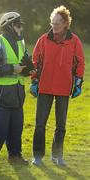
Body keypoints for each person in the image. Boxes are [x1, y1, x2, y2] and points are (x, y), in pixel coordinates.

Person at [31, 5, 85, 166]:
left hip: (63, 87)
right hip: (45, 86)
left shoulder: (74, 41)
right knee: (40, 123)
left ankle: (57, 156)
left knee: (60, 125)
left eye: (58, 24)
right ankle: (38, 156)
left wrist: (78, 83)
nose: (54, 27)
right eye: (52, 23)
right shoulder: (43, 40)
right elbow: (35, 61)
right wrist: (34, 81)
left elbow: (80, 63)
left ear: (65, 24)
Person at [0, 12, 33, 168]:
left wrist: (29, 69)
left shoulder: (21, 43)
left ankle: (15, 155)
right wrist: (13, 68)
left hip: (17, 94)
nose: (21, 28)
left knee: (16, 127)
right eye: (18, 25)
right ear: (9, 26)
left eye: (21, 25)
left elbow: (24, 65)